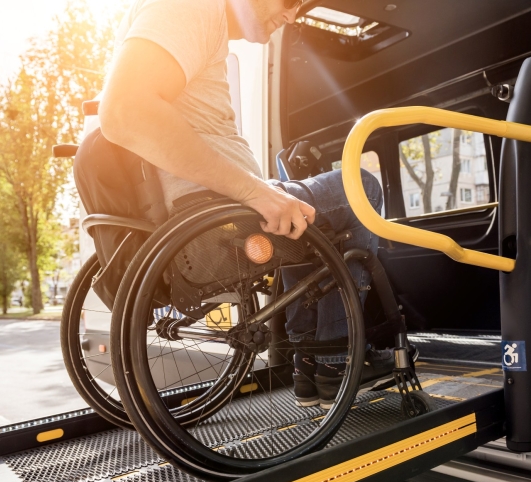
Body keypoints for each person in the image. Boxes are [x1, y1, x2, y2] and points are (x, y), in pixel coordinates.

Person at [99, 0, 392, 409]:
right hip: (220, 210)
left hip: (218, 203)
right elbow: (124, 110)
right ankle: (337, 362)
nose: (292, 16)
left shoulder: (201, 25)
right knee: (362, 187)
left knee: (305, 215)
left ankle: (311, 367)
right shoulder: (191, 9)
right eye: (290, 1)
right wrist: (257, 192)